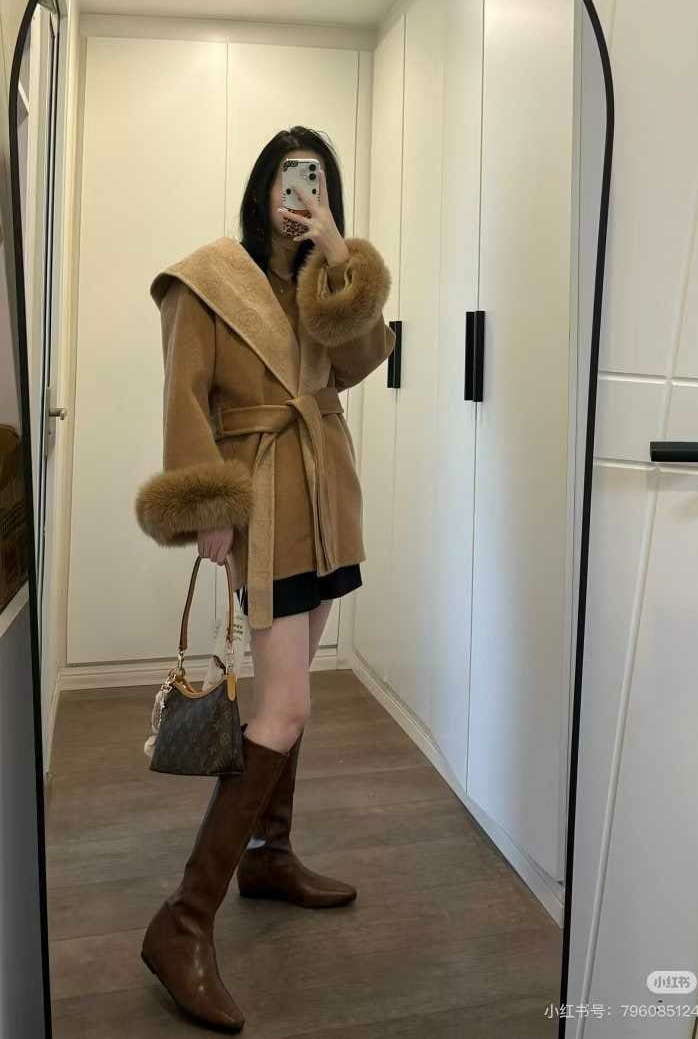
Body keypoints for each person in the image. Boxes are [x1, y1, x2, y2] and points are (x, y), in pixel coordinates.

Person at [134, 126, 395, 1031]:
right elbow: (183, 394)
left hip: (327, 495)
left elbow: (362, 361)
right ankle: (182, 922)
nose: (302, 192)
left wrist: (341, 260)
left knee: (291, 693)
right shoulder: (207, 277)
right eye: (290, 177)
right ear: (262, 186)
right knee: (282, 708)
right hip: (267, 500)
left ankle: (269, 855)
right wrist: (207, 501)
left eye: (316, 180)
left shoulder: (322, 279)